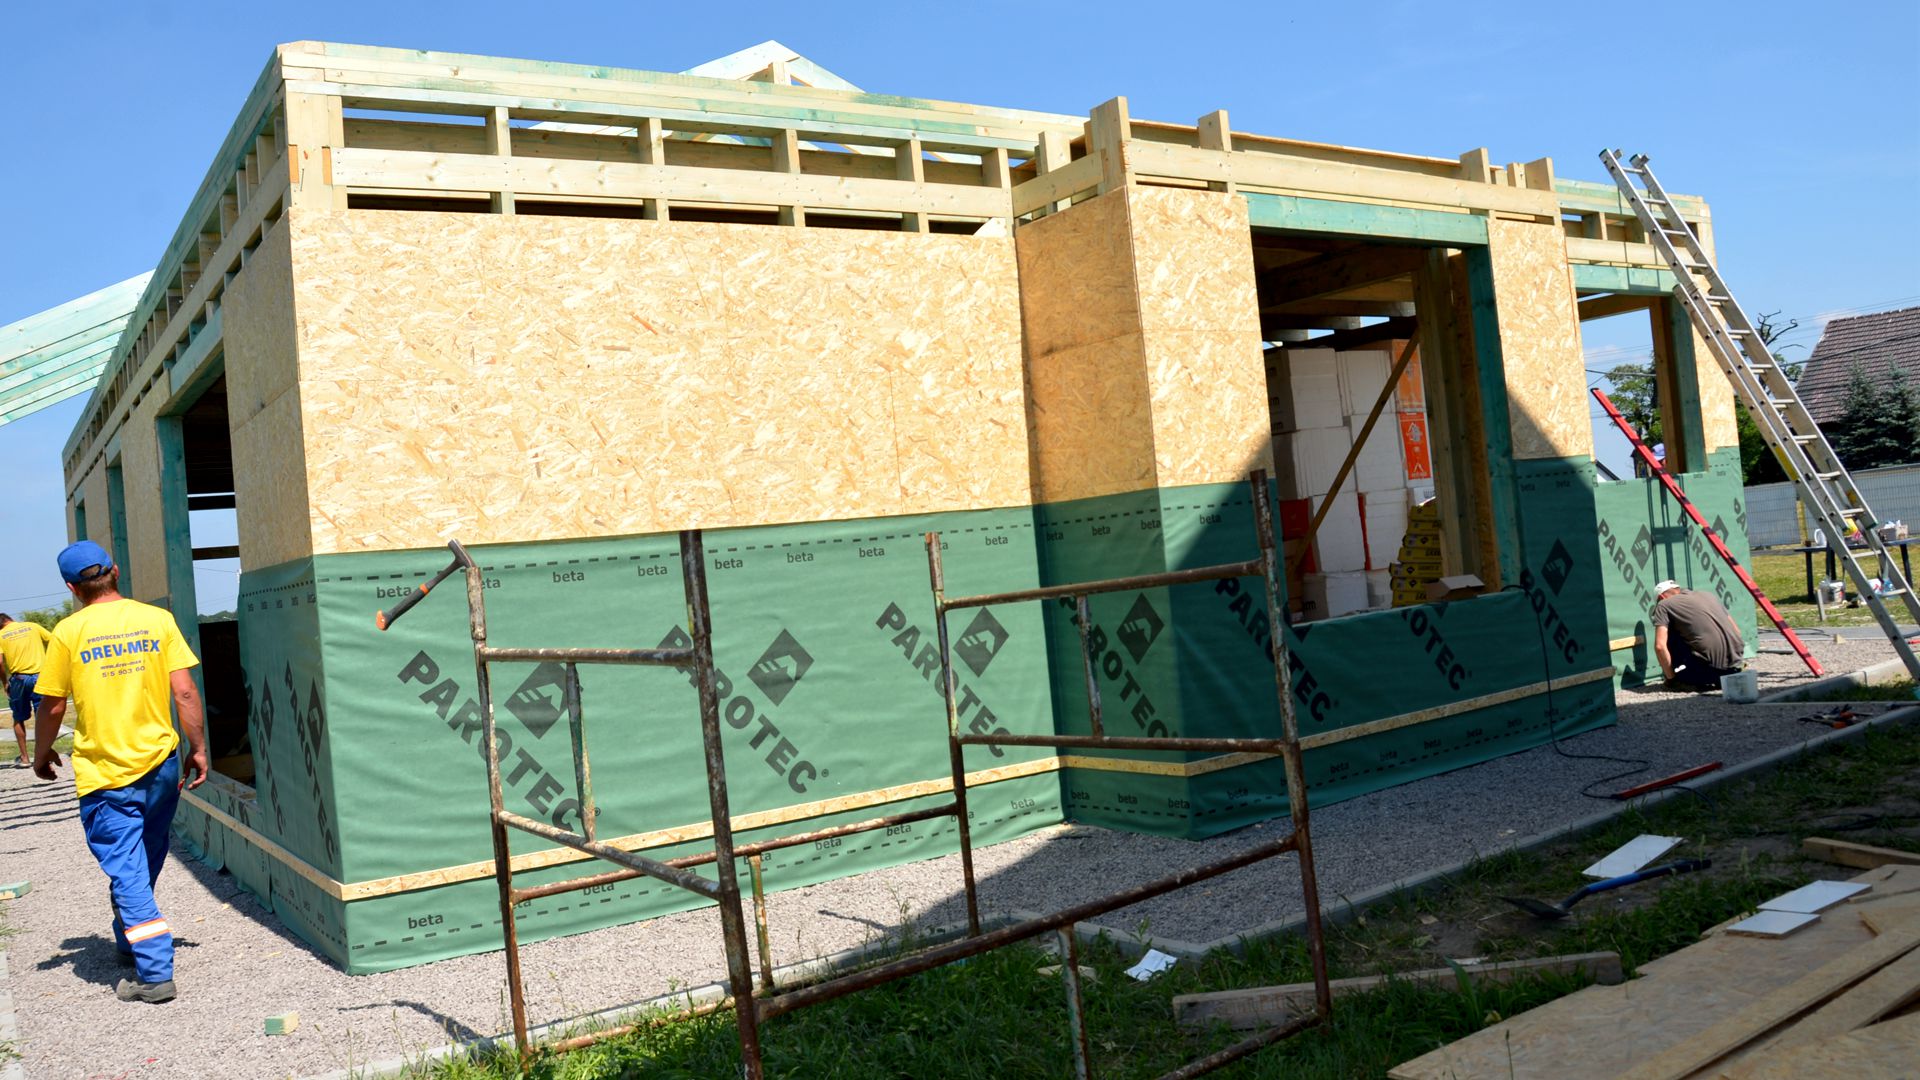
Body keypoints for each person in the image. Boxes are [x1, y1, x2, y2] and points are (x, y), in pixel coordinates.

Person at [32, 541, 207, 1005]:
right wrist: (198, 748)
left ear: (72, 589)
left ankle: (155, 975)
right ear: (115, 570)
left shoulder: (68, 633)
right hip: (161, 766)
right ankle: (130, 939)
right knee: (144, 858)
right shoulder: (157, 620)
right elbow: (185, 693)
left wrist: (41, 753)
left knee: (128, 871)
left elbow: (52, 706)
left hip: (107, 775)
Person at [1652, 578, 1746, 690]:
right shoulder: (1709, 595)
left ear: (1661, 597)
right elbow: (1737, 630)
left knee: (1669, 631)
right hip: (1735, 665)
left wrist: (1671, 680)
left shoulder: (1663, 605)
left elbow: (1660, 646)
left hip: (1711, 669)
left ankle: (1678, 680)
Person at [1, 611, 53, 765]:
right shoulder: (32, 626)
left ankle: (24, 758)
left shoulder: (1, 635)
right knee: (42, 716)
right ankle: (44, 756)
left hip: (19, 679)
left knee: (18, 717)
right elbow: (54, 641)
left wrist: (4, 682)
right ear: (10, 619)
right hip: (41, 677)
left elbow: (0, 662)